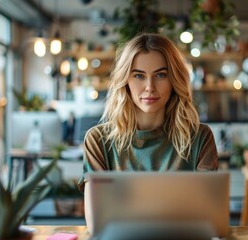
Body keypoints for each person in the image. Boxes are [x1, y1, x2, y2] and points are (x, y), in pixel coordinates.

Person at [78, 32, 219, 232]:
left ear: (174, 80)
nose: (150, 87)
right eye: (138, 75)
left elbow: (207, 218)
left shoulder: (200, 138)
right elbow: (97, 225)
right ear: (125, 80)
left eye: (161, 75)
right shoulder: (98, 140)